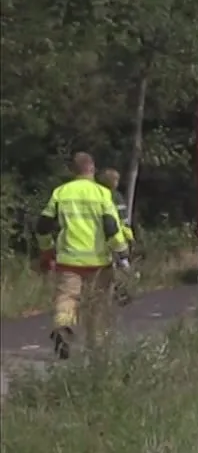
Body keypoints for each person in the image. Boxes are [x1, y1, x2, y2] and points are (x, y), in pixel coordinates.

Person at [35, 152, 127, 360]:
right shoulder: (102, 194)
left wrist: (46, 250)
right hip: (99, 262)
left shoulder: (61, 193)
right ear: (92, 169)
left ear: (72, 171)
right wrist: (121, 253)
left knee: (66, 298)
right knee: (98, 302)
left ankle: (63, 328)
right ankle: (96, 346)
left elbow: (42, 226)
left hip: (68, 260)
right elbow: (111, 227)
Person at [97, 168, 136, 305]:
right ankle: (122, 292)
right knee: (123, 266)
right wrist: (129, 237)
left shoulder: (96, 195)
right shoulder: (115, 196)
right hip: (116, 237)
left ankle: (105, 294)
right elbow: (123, 220)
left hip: (98, 238)